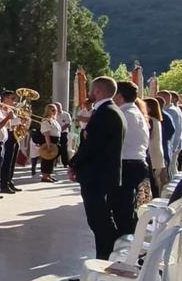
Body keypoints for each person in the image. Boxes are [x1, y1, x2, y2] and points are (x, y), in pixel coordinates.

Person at [68, 76, 125, 265]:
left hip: (96, 176)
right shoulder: (112, 111)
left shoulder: (105, 113)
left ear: (98, 91)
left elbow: (91, 145)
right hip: (101, 174)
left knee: (99, 221)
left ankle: (106, 263)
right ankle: (106, 261)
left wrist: (73, 164)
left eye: (92, 89)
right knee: (101, 221)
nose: (90, 93)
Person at [113, 81, 149, 237]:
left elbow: (113, 141)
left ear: (119, 96)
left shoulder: (123, 114)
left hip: (126, 164)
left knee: (123, 209)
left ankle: (126, 242)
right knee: (129, 206)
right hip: (137, 162)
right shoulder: (137, 112)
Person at [144, 97, 167, 198]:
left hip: (152, 155)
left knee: (152, 182)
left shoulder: (150, 120)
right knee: (155, 182)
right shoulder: (156, 120)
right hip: (157, 155)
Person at [0, 90, 21, 194]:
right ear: (6, 99)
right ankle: (4, 185)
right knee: (7, 162)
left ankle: (9, 181)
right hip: (8, 136)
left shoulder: (12, 109)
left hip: (14, 136)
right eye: (12, 98)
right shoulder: (1, 109)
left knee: (12, 162)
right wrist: (20, 120)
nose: (14, 101)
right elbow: (8, 124)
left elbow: (15, 123)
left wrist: (22, 121)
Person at [39, 104, 61, 183]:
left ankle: (49, 175)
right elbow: (46, 134)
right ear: (48, 111)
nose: (55, 112)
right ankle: (45, 176)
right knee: (47, 158)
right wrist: (49, 146)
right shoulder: (46, 120)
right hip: (49, 141)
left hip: (55, 141)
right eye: (53, 110)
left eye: (56, 110)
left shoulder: (53, 120)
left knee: (51, 159)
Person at [55, 102, 72, 167]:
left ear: (61, 107)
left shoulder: (66, 114)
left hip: (63, 133)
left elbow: (68, 123)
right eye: (56, 107)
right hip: (55, 134)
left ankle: (65, 163)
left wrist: (60, 129)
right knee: (55, 148)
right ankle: (54, 162)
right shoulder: (54, 114)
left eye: (59, 107)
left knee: (64, 148)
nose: (58, 108)